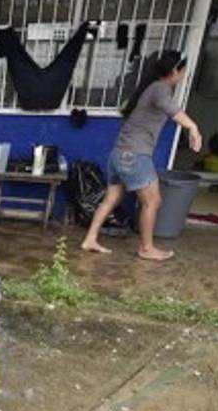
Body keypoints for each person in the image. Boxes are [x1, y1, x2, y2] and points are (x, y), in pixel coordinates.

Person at [81, 50, 203, 261]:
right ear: (175, 70)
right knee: (152, 202)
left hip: (119, 154)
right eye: (183, 71)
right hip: (135, 155)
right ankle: (147, 249)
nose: (183, 76)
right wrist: (192, 127)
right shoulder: (160, 89)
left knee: (111, 199)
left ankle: (90, 239)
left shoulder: (150, 88)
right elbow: (172, 110)